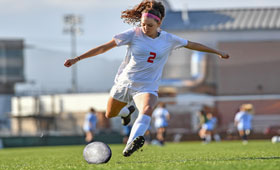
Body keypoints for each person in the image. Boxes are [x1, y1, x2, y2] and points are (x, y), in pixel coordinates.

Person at [64, 0, 230, 157]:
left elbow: (193, 44)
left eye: (149, 25)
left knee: (147, 109)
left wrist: (218, 52)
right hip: (124, 83)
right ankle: (125, 113)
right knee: (109, 114)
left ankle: (130, 143)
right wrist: (77, 59)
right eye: (143, 24)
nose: (145, 28)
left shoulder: (169, 39)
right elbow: (104, 48)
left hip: (147, 86)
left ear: (159, 24)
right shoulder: (133, 34)